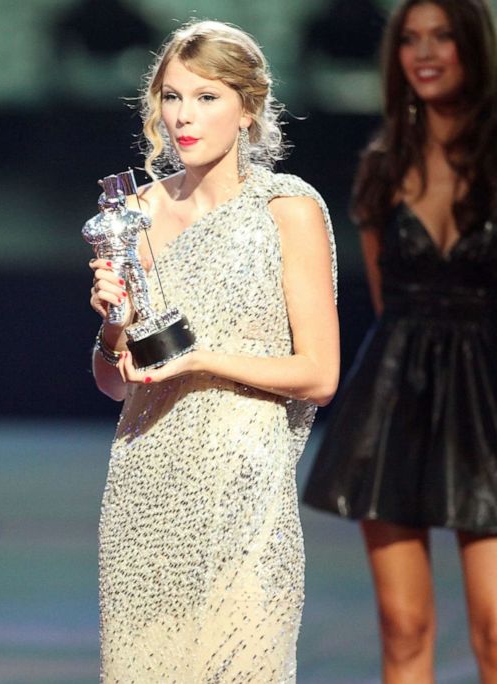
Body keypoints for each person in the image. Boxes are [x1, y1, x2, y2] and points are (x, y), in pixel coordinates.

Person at [88, 21, 339, 682]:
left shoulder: (288, 210)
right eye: (171, 97)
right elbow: (117, 384)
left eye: (206, 97)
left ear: (248, 107)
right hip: (146, 490)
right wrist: (112, 327)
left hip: (246, 497)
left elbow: (318, 374)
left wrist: (201, 360)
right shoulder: (133, 214)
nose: (183, 117)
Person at [302, 1, 497, 681]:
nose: (425, 52)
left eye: (442, 36)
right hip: (396, 397)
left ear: (473, 46)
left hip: (490, 397)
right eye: (411, 39)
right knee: (404, 625)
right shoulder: (382, 165)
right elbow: (389, 302)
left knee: (496, 625)